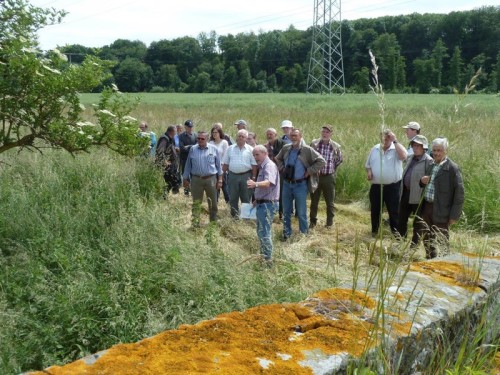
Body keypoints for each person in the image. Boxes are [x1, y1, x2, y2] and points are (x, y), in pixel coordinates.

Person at [275, 128, 325, 240]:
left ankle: (303, 235)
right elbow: (277, 158)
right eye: (291, 135)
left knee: (301, 212)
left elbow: (321, 161)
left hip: (300, 185)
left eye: (295, 135)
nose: (293, 138)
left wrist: (310, 171)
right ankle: (287, 234)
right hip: (287, 184)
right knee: (286, 212)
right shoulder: (286, 148)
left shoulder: (307, 150)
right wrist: (282, 167)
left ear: (300, 137)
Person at [418, 137, 464, 259]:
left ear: (445, 151)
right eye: (434, 150)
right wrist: (422, 182)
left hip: (442, 210)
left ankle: (444, 265)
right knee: (427, 238)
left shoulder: (452, 168)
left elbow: (459, 193)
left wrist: (454, 215)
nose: (437, 153)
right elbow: (425, 184)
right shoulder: (431, 165)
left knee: (442, 240)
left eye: (440, 150)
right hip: (427, 207)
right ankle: (430, 262)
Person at [365, 129, 407, 236]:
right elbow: (368, 164)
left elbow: (403, 156)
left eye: (388, 137)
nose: (385, 139)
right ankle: (374, 231)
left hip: (392, 187)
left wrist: (395, 141)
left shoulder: (396, 148)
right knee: (375, 210)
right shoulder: (375, 149)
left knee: (394, 211)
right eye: (383, 136)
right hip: (376, 187)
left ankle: (397, 235)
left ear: (391, 138)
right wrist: (369, 172)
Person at [397, 135, 433, 246]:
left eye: (418, 146)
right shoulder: (410, 157)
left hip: (418, 196)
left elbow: (429, 180)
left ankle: (414, 245)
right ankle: (400, 241)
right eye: (414, 145)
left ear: (424, 148)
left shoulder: (429, 161)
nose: (415, 148)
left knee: (417, 222)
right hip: (405, 193)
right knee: (401, 218)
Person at [246, 145, 280, 265]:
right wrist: (257, 200)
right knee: (261, 231)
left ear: (264, 153)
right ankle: (263, 256)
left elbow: (268, 183)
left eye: (257, 155)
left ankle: (267, 260)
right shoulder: (264, 166)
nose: (255, 157)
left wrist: (255, 184)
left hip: (267, 205)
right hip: (263, 203)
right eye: (254, 155)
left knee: (265, 232)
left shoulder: (269, 166)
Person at [182, 131, 223, 227]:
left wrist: (220, 180)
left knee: (213, 202)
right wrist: (185, 178)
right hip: (196, 180)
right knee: (196, 202)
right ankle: (195, 224)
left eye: (202, 139)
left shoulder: (214, 149)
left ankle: (213, 223)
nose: (200, 140)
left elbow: (219, 166)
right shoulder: (193, 149)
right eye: (198, 138)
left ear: (207, 139)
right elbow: (188, 165)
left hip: (211, 179)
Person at [309, 125, 343, 228]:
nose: (324, 134)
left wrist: (331, 170)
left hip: (329, 177)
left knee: (330, 202)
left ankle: (329, 224)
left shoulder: (335, 146)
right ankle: (312, 222)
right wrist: (314, 170)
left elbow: (339, 160)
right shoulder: (314, 144)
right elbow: (309, 158)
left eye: (327, 132)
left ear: (331, 134)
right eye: (323, 131)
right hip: (316, 177)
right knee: (314, 201)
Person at [222, 129, 258, 218]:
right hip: (232, 176)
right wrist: (221, 176)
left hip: (246, 176)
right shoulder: (230, 148)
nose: (241, 138)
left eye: (243, 136)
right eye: (239, 136)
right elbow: (225, 163)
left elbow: (254, 165)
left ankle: (245, 218)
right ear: (236, 137)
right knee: (233, 198)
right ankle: (235, 217)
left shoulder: (251, 149)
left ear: (246, 138)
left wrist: (253, 178)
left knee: (246, 198)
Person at [265, 128, 285, 220]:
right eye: (268, 134)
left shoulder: (283, 144)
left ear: (275, 135)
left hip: (280, 172)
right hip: (269, 172)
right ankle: (270, 212)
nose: (269, 136)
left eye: (271, 134)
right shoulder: (265, 147)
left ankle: (281, 213)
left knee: (281, 193)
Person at [155, 126, 181, 196]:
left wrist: (174, 149)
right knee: (168, 182)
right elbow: (160, 151)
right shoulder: (164, 138)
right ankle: (163, 196)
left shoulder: (170, 139)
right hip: (165, 165)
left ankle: (166, 195)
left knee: (173, 180)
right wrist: (164, 161)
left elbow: (167, 148)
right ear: (172, 132)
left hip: (170, 164)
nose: (176, 133)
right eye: (175, 132)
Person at [209, 125, 230, 203]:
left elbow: (225, 155)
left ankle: (228, 202)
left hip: (222, 167)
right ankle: (215, 202)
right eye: (213, 132)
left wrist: (222, 166)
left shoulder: (224, 142)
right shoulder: (211, 143)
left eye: (216, 132)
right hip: (213, 168)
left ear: (219, 133)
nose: (214, 134)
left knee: (224, 186)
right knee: (215, 186)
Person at [179, 120, 197, 196]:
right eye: (189, 127)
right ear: (185, 127)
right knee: (185, 175)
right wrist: (191, 147)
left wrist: (189, 146)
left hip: (194, 159)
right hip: (184, 159)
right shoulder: (181, 136)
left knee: (194, 175)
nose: (190, 128)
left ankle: (194, 191)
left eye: (191, 127)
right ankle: (186, 191)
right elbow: (182, 148)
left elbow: (197, 146)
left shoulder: (195, 135)